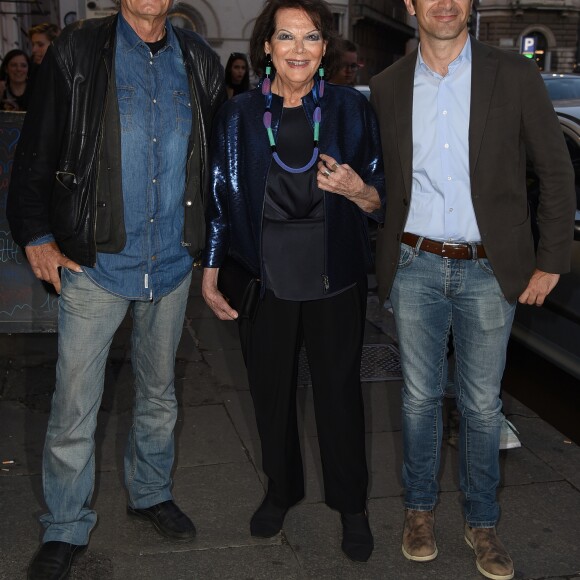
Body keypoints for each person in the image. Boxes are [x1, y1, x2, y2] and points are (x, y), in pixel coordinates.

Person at [7, 0, 226, 577]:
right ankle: (64, 525)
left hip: (172, 263)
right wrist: (35, 235)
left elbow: (213, 164)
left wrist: (214, 247)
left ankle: (150, 492)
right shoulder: (78, 50)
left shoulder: (199, 59)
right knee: (74, 405)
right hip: (96, 263)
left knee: (159, 395)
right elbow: (37, 149)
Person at [369, 0, 575, 575]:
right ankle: (418, 510)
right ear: (411, 5)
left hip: (490, 270)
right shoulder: (387, 85)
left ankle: (483, 523)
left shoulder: (513, 74)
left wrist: (551, 259)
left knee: (483, 405)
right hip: (415, 264)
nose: (444, 4)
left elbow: (556, 171)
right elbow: (386, 178)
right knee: (418, 400)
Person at [201, 0, 385, 563]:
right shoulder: (238, 115)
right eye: (287, 37)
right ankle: (281, 490)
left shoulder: (353, 110)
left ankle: (351, 505)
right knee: (271, 396)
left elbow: (380, 202)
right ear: (266, 47)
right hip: (265, 279)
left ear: (324, 49)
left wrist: (357, 190)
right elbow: (218, 202)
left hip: (335, 276)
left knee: (340, 398)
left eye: (310, 38)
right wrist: (210, 276)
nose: (299, 50)